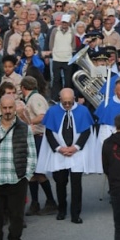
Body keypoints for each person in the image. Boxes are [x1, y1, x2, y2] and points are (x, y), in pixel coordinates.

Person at [0, 95, 37, 240]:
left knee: (17, 215)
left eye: (10, 107)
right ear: (0, 108)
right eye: (4, 108)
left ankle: (14, 239)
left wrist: (28, 175)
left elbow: (31, 154)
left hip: (17, 179)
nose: (7, 111)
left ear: (15, 108)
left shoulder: (24, 128)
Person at [37, 88, 94, 224]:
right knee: (60, 182)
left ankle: (76, 214)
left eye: (70, 102)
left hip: (76, 152)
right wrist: (59, 148)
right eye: (65, 103)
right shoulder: (52, 111)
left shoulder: (83, 111)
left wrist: (76, 147)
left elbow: (86, 131)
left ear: (74, 99)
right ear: (59, 99)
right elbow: (49, 132)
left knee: (76, 184)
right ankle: (61, 209)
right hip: (60, 152)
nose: (67, 105)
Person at [20, 76, 58, 217]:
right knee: (32, 173)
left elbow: (42, 116)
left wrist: (28, 123)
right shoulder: (33, 97)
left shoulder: (35, 98)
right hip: (34, 137)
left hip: (38, 137)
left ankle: (50, 201)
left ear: (23, 87)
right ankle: (35, 203)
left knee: (38, 171)